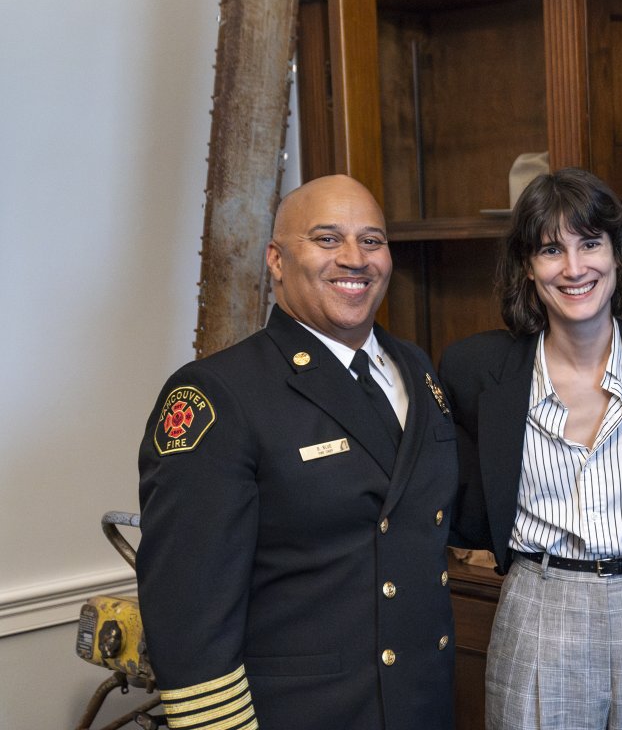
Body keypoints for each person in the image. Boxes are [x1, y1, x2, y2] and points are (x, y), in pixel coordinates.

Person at [136, 175, 458, 730]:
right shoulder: (219, 395)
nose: (355, 259)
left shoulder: (416, 368)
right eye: (327, 240)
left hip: (420, 704)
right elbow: (187, 611)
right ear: (277, 259)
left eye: (372, 241)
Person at [439, 168, 622, 729]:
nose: (574, 268)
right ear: (527, 267)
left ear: (618, 254)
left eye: (590, 244)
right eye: (550, 250)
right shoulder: (473, 370)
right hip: (540, 607)